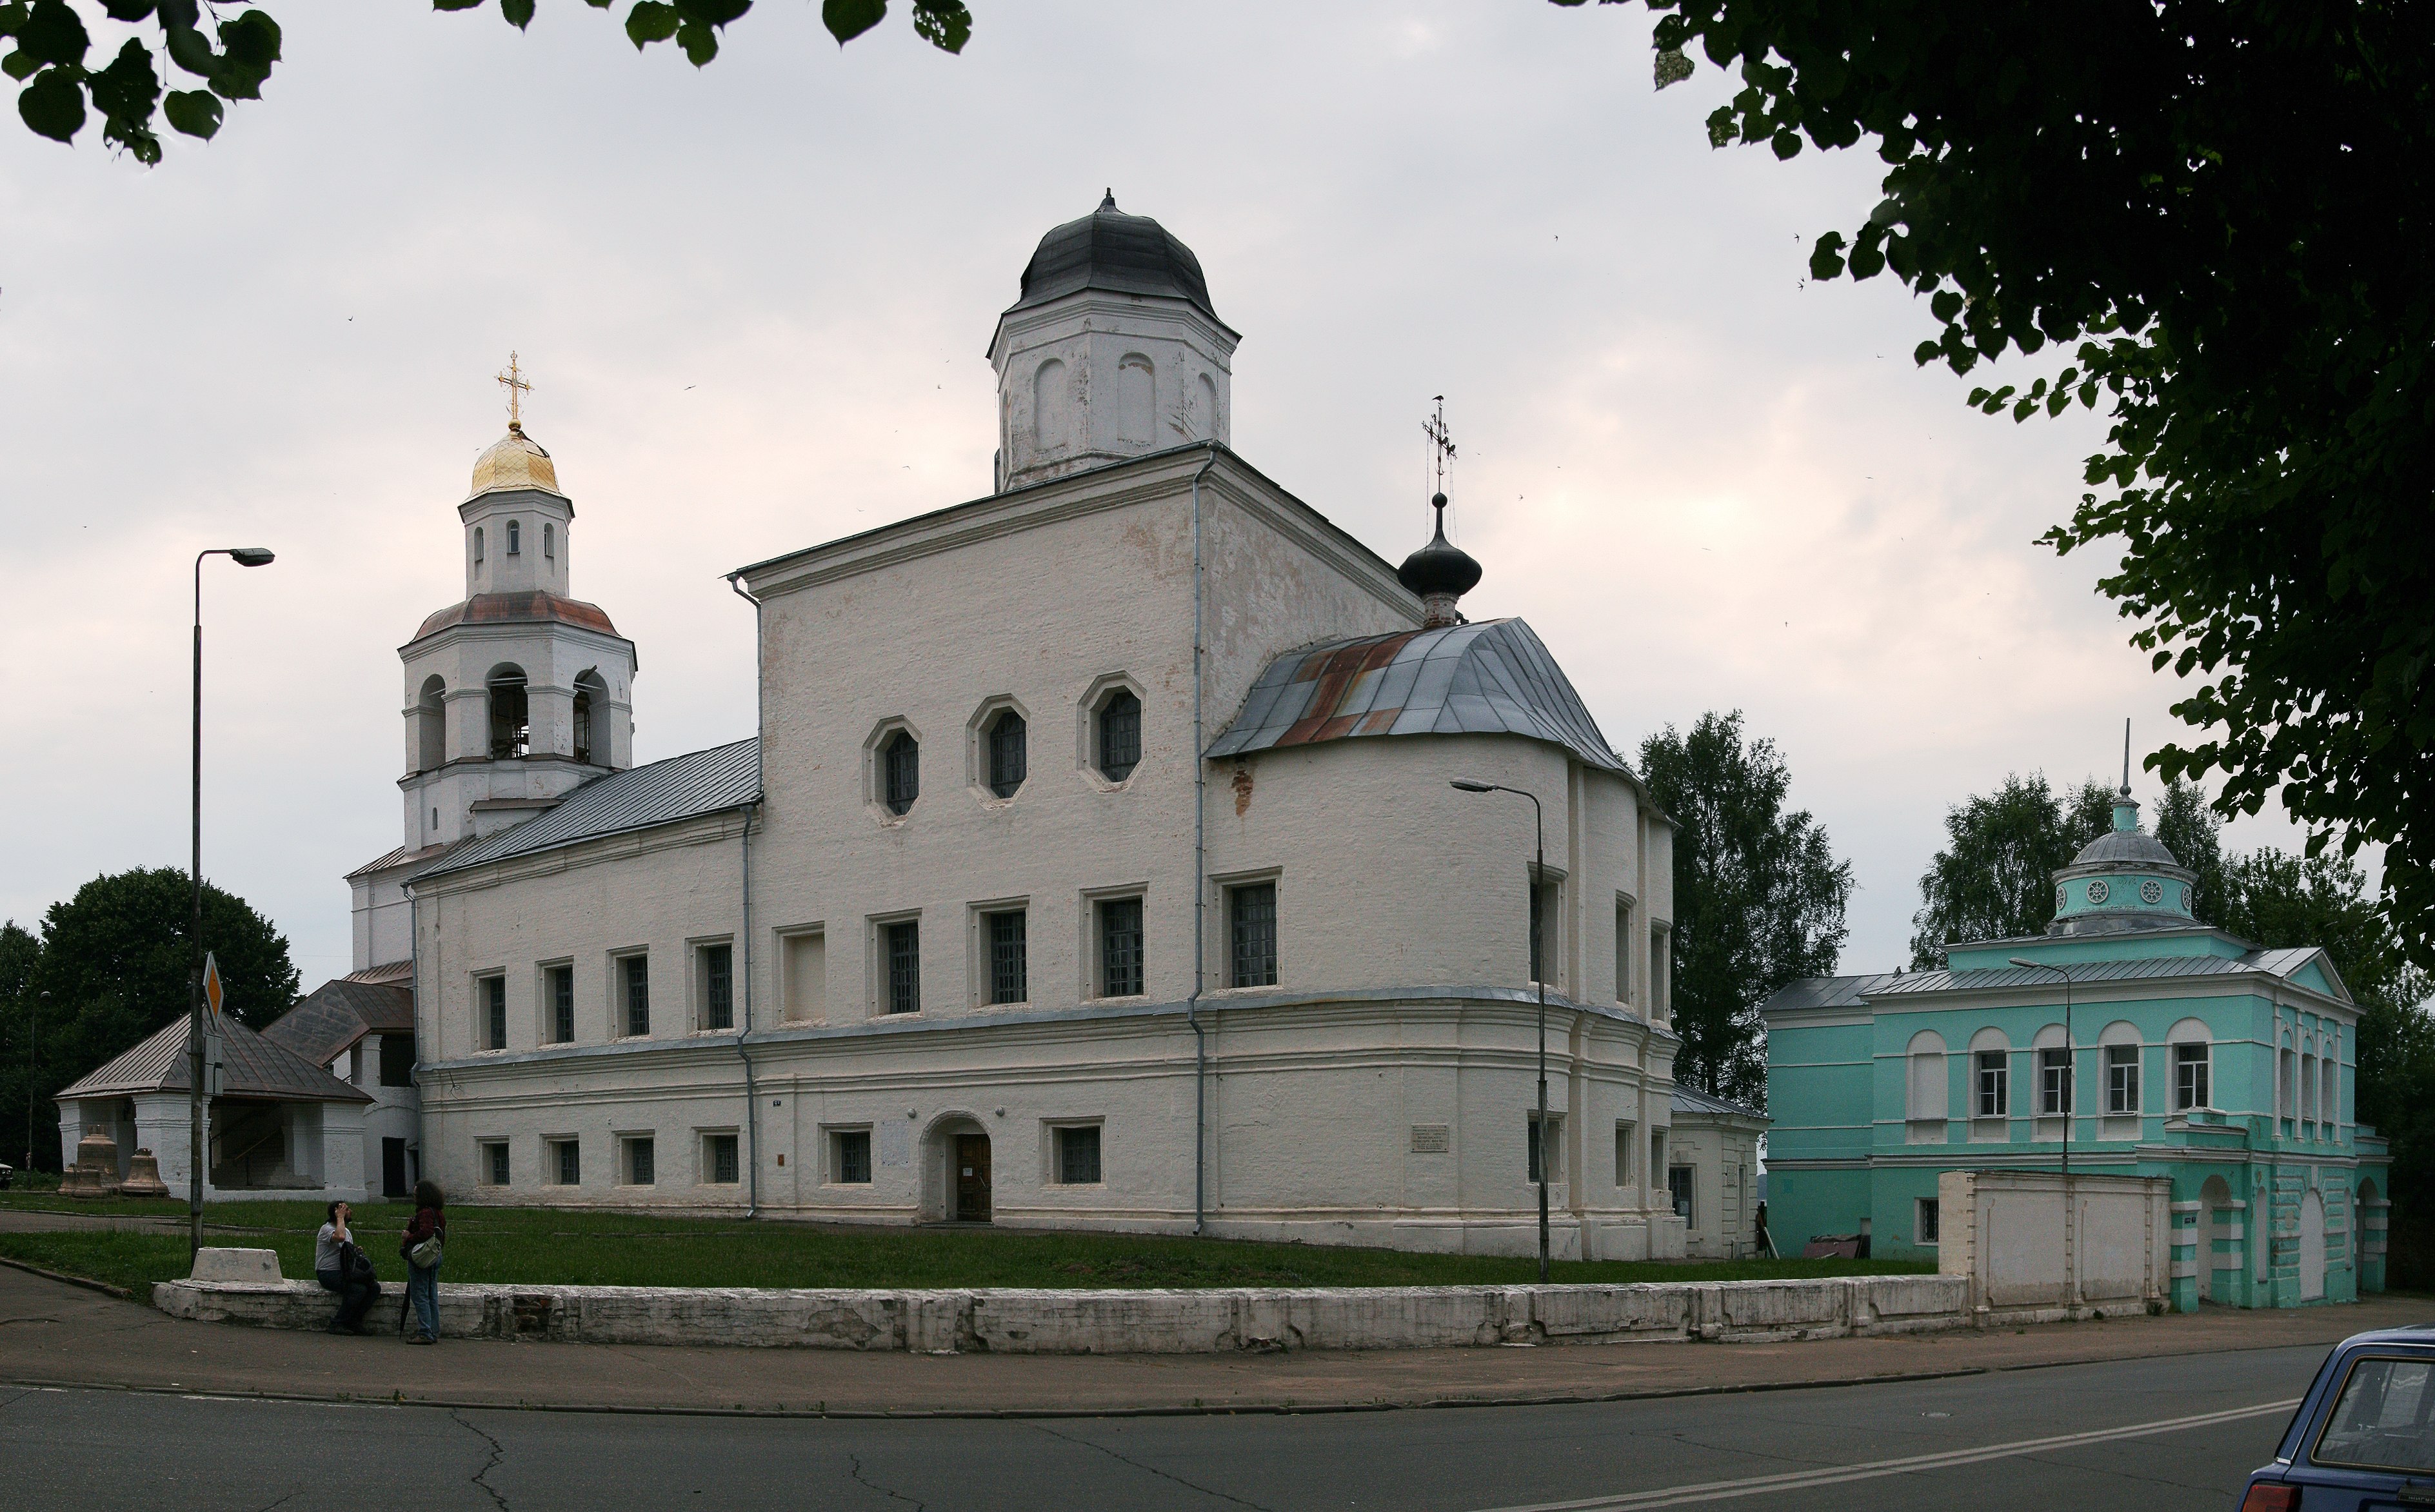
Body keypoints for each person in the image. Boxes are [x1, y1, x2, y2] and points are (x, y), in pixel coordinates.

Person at [313, 1200, 378, 1335]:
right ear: (337, 1213)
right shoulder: (326, 1229)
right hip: (327, 1273)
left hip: (344, 1271)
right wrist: (340, 1218)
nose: (350, 1212)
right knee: (358, 1289)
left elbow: (346, 1250)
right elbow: (340, 1237)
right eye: (346, 1209)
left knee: (374, 1287)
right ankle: (338, 1323)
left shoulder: (347, 1231)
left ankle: (354, 1321)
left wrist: (355, 1251)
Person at [399, 1179, 446, 1344]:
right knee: (431, 1294)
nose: (414, 1196)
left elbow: (425, 1233)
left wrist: (408, 1236)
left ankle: (426, 1331)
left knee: (420, 1295)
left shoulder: (425, 1213)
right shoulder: (437, 1212)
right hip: (434, 1255)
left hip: (422, 1256)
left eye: (416, 1194)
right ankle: (433, 1329)